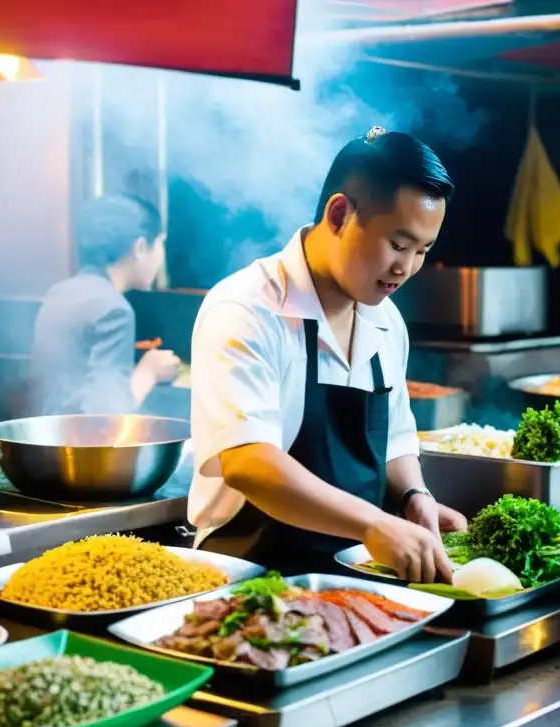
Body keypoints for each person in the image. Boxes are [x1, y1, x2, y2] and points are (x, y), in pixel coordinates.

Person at [188, 127, 467, 582]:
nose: (406, 268)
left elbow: (396, 440)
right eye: (398, 244)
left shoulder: (386, 322)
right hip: (249, 578)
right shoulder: (246, 308)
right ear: (339, 214)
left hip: (353, 577)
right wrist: (375, 524)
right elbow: (249, 463)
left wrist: (415, 498)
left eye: (422, 251)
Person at [29, 195, 180, 416]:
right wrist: (149, 372)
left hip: (49, 436)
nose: (160, 255)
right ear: (139, 248)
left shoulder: (59, 292)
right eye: (160, 244)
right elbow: (106, 416)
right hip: (80, 444)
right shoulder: (114, 309)